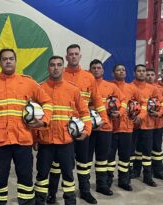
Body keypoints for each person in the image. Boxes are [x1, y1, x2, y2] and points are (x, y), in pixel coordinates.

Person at [0, 48, 52, 205]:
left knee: (25, 179)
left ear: (16, 61)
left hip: (23, 140)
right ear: (0, 62)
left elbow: (47, 102)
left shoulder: (28, 82)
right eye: (4, 59)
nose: (8, 61)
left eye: (11, 58)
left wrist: (43, 121)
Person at [47, 45, 108, 205]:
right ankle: (51, 194)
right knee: (57, 164)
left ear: (80, 56)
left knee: (84, 161)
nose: (73, 57)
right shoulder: (59, 73)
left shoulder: (89, 77)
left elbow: (97, 100)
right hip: (62, 128)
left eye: (76, 54)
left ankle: (85, 191)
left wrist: (104, 119)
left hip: (81, 127)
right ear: (66, 57)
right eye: (70, 54)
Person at [34, 56, 91, 205]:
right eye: (52, 65)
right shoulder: (40, 89)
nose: (56, 68)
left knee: (68, 176)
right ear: (48, 68)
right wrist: (35, 138)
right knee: (42, 176)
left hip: (66, 142)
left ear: (63, 68)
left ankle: (70, 201)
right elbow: (34, 116)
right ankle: (40, 201)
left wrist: (86, 131)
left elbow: (85, 113)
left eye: (59, 65)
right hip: (45, 141)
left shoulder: (73, 90)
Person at [89, 59, 126, 196]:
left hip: (106, 128)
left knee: (102, 159)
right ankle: (85, 188)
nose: (96, 70)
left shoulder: (111, 86)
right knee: (85, 161)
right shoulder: (86, 85)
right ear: (90, 70)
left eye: (99, 68)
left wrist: (119, 112)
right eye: (94, 68)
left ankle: (102, 185)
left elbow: (124, 101)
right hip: (89, 129)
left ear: (103, 70)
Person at [109, 64, 144, 191]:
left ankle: (124, 181)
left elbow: (143, 103)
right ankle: (107, 180)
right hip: (111, 128)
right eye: (118, 70)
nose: (121, 72)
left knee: (125, 157)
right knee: (110, 158)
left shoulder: (132, 88)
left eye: (123, 70)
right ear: (113, 73)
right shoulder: (109, 86)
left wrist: (141, 115)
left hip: (128, 128)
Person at [130, 64, 163, 187]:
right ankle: (135, 171)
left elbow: (162, 103)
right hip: (133, 125)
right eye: (139, 71)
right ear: (134, 72)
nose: (141, 73)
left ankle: (147, 176)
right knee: (134, 151)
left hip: (148, 126)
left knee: (147, 152)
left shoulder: (153, 89)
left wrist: (159, 113)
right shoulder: (129, 87)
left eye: (143, 71)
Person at [145, 68, 163, 181]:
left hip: (158, 124)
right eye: (148, 74)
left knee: (157, 149)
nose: (150, 76)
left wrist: (159, 114)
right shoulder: (137, 88)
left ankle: (158, 171)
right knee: (142, 149)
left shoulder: (161, 89)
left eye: (152, 74)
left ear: (155, 76)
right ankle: (139, 171)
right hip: (143, 125)